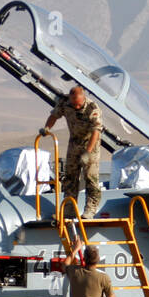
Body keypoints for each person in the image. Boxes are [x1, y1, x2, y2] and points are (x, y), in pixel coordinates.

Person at [40, 85, 104, 218]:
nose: (76, 107)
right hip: (74, 143)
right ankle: (69, 209)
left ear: (83, 98)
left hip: (90, 145)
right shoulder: (65, 103)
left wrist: (88, 152)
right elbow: (54, 115)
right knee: (70, 177)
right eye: (73, 104)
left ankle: (90, 209)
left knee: (90, 178)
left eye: (78, 105)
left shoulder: (92, 108)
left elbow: (96, 132)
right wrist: (47, 128)